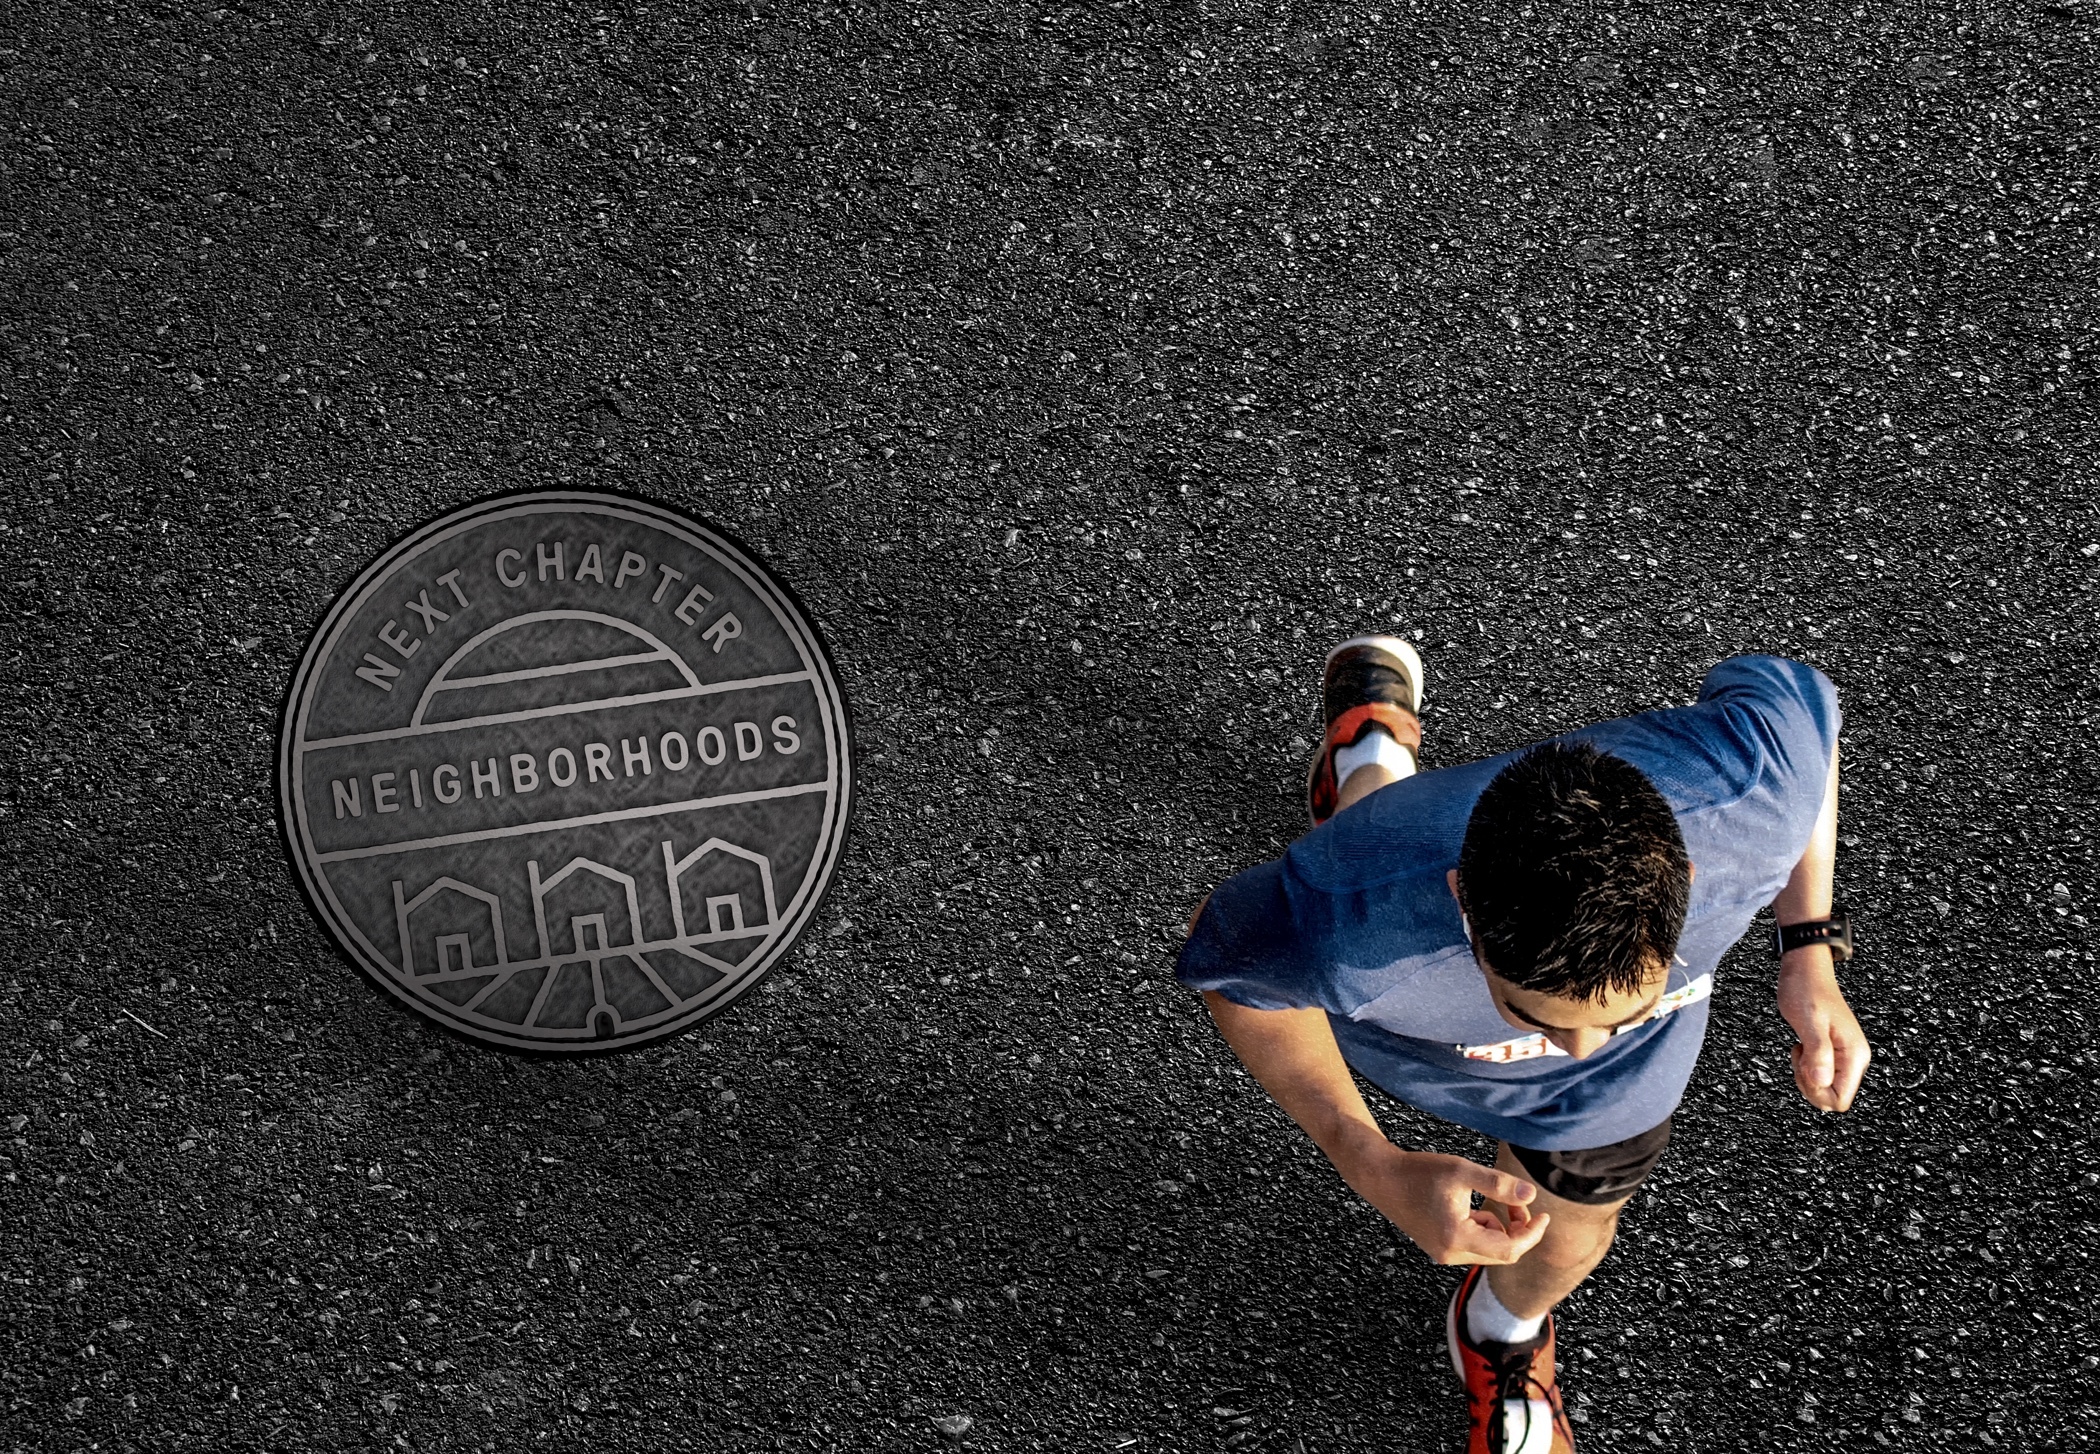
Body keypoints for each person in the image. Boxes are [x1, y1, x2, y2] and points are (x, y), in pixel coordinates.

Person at [1176, 637, 1869, 1453]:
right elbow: (1233, 976)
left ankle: (1500, 1332)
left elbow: (1805, 710)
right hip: (1400, 990)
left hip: (1599, 1079)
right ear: (1462, 906)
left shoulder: (1750, 796)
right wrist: (1369, 1158)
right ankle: (1368, 759)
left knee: (1568, 1238)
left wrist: (1809, 950)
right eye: (1532, 1013)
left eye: (1624, 1009)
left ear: (1684, 872)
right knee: (1369, 836)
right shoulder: (1349, 923)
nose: (1582, 1052)